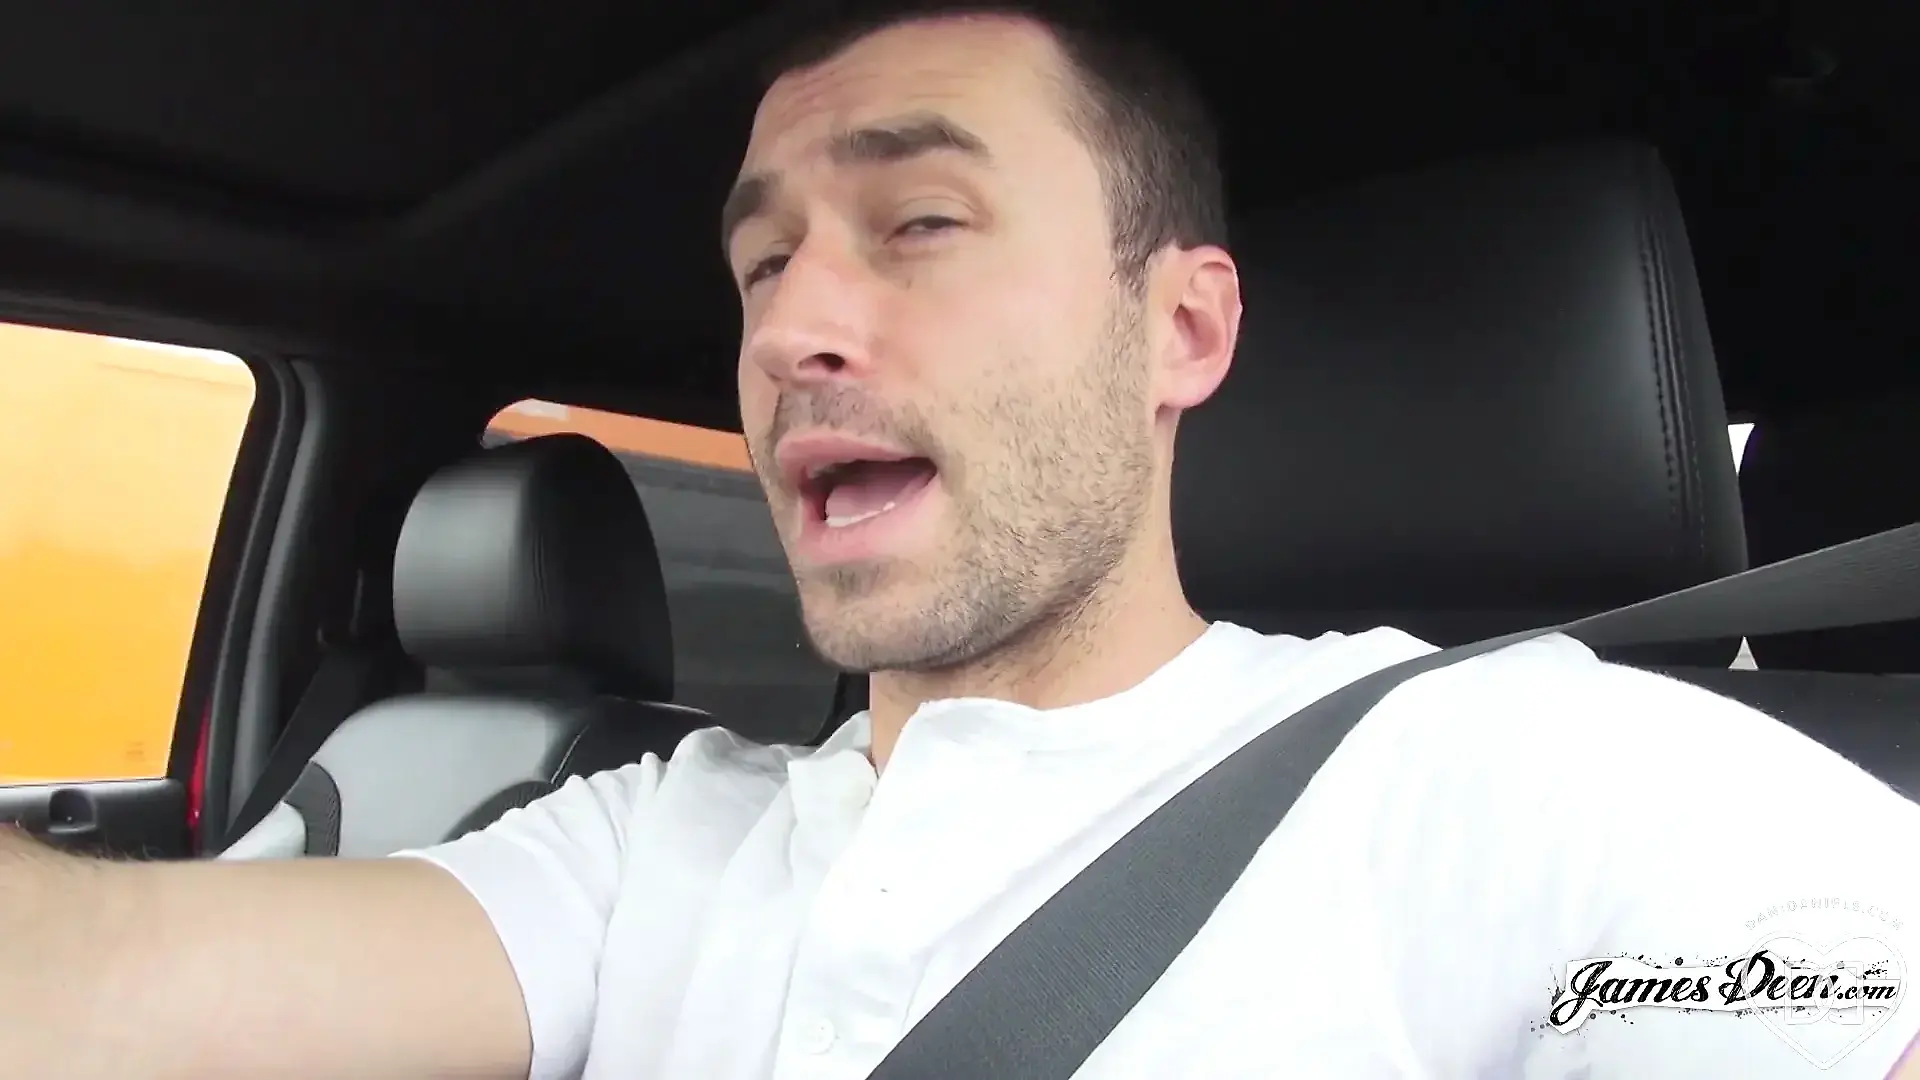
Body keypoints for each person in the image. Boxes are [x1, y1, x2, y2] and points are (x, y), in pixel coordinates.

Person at [4, 3, 1919, 1078]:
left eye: (918, 223)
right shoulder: (656, 839)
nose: (789, 330)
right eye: (762, 263)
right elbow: (89, 992)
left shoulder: (1540, 775)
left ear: (1182, 330)